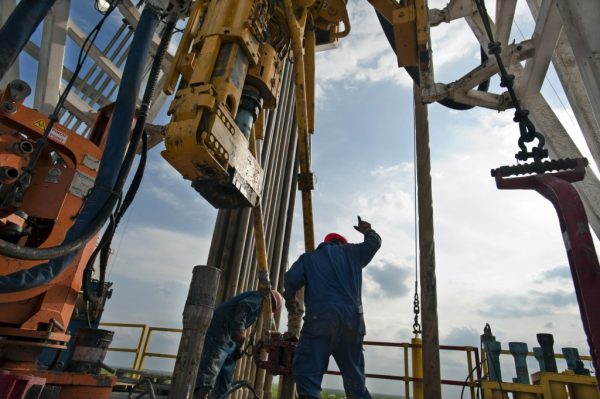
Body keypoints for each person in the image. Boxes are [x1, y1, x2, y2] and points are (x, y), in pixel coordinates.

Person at [283, 216, 382, 399]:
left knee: (308, 374)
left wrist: (291, 302)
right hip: (353, 323)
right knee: (355, 381)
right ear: (342, 244)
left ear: (326, 242)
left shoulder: (309, 258)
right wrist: (367, 229)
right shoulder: (353, 253)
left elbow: (289, 280)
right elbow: (374, 243)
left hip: (320, 321)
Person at [194, 289, 283, 399]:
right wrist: (240, 328)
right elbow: (243, 305)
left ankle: (219, 394)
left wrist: (238, 346)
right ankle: (201, 394)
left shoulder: (257, 302)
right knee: (210, 370)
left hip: (228, 338)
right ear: (271, 302)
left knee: (226, 376)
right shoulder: (259, 297)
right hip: (220, 331)